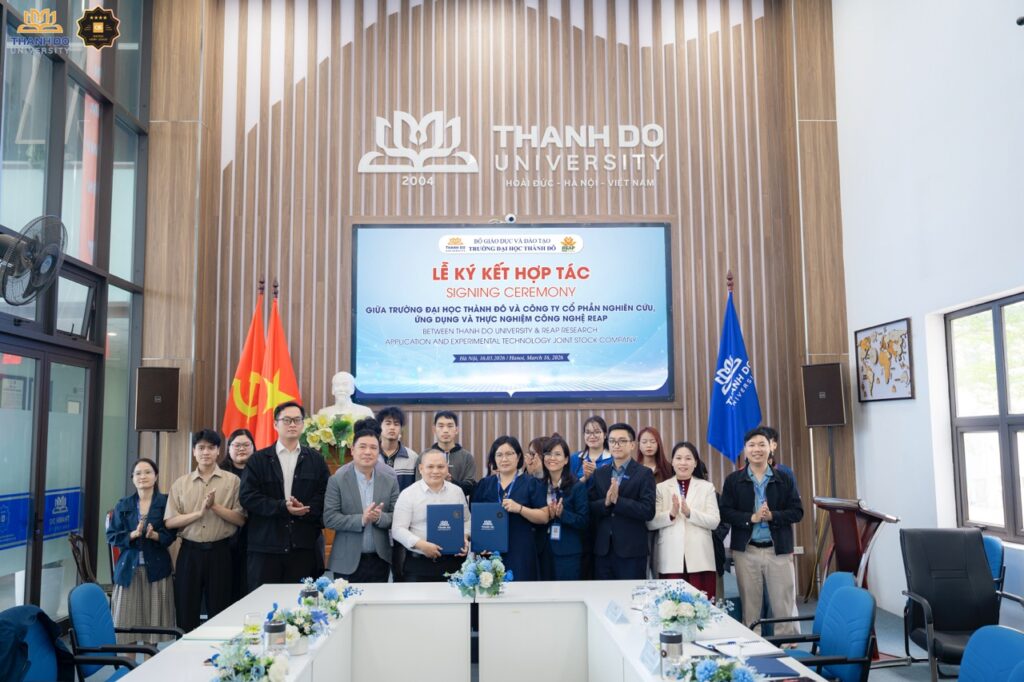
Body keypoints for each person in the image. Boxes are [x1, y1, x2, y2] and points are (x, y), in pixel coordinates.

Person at [719, 427, 804, 635]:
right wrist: (752, 518)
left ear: (770, 448)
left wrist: (773, 516)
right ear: (745, 449)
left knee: (783, 603)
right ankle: (753, 643)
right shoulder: (733, 480)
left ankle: (787, 644)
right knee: (751, 606)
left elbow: (797, 511)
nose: (757, 449)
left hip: (778, 550)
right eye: (752, 445)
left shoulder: (784, 478)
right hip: (746, 551)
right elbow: (726, 513)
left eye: (761, 445)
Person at [241, 401, 331, 589]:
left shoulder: (316, 460)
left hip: (303, 548)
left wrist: (305, 509)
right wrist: (282, 507)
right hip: (266, 548)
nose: (292, 424)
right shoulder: (258, 460)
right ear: (275, 424)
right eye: (287, 420)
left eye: (297, 420)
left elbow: (325, 495)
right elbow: (248, 496)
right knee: (264, 602)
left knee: (301, 603)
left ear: (303, 424)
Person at [164, 430, 245, 631]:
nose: (205, 452)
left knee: (221, 611)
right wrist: (198, 513)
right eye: (201, 448)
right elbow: (170, 521)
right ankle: (185, 650)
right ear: (194, 451)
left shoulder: (233, 481)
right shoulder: (181, 483)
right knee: (186, 611)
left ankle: (220, 651)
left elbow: (241, 519)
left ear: (218, 451)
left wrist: (214, 507)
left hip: (221, 552)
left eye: (210, 448)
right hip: (189, 552)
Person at [107, 458, 177, 643]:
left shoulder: (166, 502)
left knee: (152, 631)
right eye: (138, 473)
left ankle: (150, 660)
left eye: (147, 472)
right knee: (126, 628)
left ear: (156, 476)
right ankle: (129, 662)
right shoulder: (123, 504)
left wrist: (155, 536)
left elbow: (172, 534)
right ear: (132, 478)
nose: (142, 476)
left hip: (157, 571)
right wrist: (133, 535)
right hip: (128, 571)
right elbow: (112, 536)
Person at [323, 424, 399, 582]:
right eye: (362, 447)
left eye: (373, 448)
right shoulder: (337, 480)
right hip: (346, 561)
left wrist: (380, 518)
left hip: (380, 559)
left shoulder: (389, 481)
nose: (368, 452)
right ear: (352, 450)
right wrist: (361, 519)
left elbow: (397, 517)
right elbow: (329, 518)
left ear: (378, 452)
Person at [647, 442, 720, 597]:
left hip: (700, 557)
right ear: (672, 462)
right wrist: (671, 514)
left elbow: (714, 521)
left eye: (688, 458)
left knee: (702, 605)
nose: (683, 463)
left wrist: (690, 513)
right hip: (671, 556)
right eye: (678, 458)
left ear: (695, 463)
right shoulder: (661, 488)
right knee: (671, 606)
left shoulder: (707, 487)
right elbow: (650, 523)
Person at [472, 436, 549, 581]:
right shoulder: (484, 484)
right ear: (494, 459)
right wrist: (480, 543)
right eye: (499, 455)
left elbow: (544, 516)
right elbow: (475, 519)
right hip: (490, 552)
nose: (504, 459)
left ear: (518, 456)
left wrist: (520, 508)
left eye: (509, 454)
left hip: (521, 551)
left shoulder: (531, 483)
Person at [587, 423, 657, 579]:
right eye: (612, 441)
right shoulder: (599, 473)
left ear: (632, 445)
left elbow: (648, 511)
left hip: (631, 551)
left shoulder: (644, 474)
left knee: (631, 593)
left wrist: (618, 501)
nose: (616, 445)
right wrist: (606, 503)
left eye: (622, 441)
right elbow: (590, 507)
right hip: (603, 550)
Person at [392, 449, 471, 581]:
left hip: (453, 563)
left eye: (440, 466)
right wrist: (421, 545)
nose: (435, 471)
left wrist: (464, 536)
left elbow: (467, 520)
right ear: (421, 468)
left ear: (447, 468)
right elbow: (397, 529)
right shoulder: (408, 494)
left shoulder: (456, 492)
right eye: (430, 467)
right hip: (419, 565)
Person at [538, 435, 588, 580]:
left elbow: (584, 521)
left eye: (557, 454)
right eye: (548, 453)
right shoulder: (538, 485)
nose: (552, 458)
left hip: (567, 552)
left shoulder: (577, 487)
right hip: (542, 550)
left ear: (566, 460)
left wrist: (562, 514)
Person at [222, 428, 255, 601]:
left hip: (254, 536)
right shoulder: (220, 473)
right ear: (228, 448)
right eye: (237, 445)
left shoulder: (261, 469)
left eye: (246, 445)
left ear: (254, 447)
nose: (241, 449)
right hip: (226, 537)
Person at [420, 411, 477, 498]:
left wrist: (451, 481)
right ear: (434, 430)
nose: (445, 430)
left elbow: (470, 487)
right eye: (441, 426)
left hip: (457, 503)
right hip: (429, 503)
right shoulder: (424, 456)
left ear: (456, 430)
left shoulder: (467, 457)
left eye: (450, 426)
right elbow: (419, 485)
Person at [376, 406, 418, 491]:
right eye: (388, 423)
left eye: (396, 424)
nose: (392, 427)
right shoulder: (372, 455)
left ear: (401, 429)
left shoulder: (412, 457)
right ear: (379, 427)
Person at [569, 415, 612, 482]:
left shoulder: (613, 459)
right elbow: (570, 487)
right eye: (588, 432)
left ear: (605, 435)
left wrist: (597, 473)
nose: (592, 436)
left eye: (597, 432)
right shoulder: (574, 459)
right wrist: (585, 477)